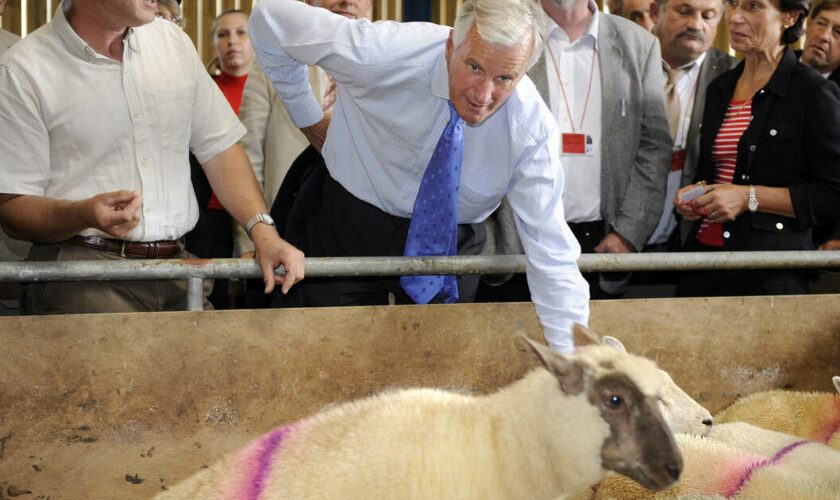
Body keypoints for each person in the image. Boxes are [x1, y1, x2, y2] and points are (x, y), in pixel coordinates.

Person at [249, 0, 589, 352]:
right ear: (450, 46)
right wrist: (309, 121)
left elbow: (550, 251)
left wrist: (575, 363)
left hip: (450, 244)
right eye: (474, 66)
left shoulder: (531, 130)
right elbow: (268, 19)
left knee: (435, 379)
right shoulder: (382, 52)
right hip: (348, 225)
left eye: (504, 78)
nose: (482, 95)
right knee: (323, 358)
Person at [0, 0, 304, 315]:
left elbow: (220, 147)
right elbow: (12, 206)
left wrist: (264, 232)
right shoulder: (24, 68)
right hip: (82, 279)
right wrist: (83, 214)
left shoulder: (172, 43)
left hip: (180, 272)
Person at [480, 0, 672, 301]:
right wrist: (490, 240)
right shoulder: (503, 33)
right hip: (515, 243)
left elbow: (654, 148)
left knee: (593, 349)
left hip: (603, 247)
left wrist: (628, 233)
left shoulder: (639, 45)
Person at [673, 0, 840, 296]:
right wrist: (697, 195)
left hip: (767, 275)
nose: (735, 18)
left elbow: (832, 194)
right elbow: (716, 175)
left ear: (790, 17)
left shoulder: (813, 93)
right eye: (733, 4)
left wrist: (749, 198)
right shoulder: (720, 87)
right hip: (702, 262)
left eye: (753, 6)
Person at [236, 0, 371, 267]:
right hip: (286, 233)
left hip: (367, 237)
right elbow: (248, 156)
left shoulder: (391, 65)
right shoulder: (274, 58)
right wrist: (252, 238)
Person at [646, 0, 736, 251]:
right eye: (684, 12)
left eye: (708, 16)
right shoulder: (626, 62)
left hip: (694, 237)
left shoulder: (735, 77)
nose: (696, 24)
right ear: (656, 12)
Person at [185, 9, 255, 309]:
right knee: (213, 294)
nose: (232, 41)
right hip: (208, 214)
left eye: (241, 32)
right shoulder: (203, 89)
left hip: (250, 207)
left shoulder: (271, 90)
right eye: (223, 34)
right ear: (213, 43)